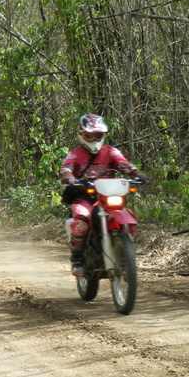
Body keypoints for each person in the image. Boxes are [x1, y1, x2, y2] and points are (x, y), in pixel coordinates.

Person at [59, 114, 148, 277]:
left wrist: (137, 174)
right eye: (89, 135)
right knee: (81, 220)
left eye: (98, 135)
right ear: (81, 135)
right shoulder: (75, 154)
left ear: (103, 135)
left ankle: (124, 251)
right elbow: (66, 168)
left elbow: (124, 164)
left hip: (109, 196)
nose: (94, 139)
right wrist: (70, 178)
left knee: (124, 214)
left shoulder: (111, 151)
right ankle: (77, 259)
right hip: (85, 198)